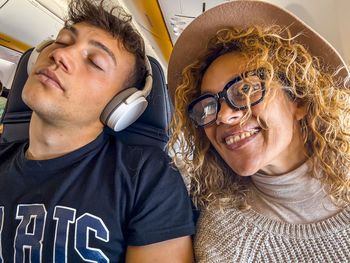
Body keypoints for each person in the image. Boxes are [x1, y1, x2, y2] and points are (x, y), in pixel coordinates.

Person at [0, 0, 195, 262]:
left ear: (120, 106)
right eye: (62, 41)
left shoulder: (146, 177)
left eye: (94, 61)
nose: (60, 55)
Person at [167, 1, 350, 262]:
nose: (222, 115)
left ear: (299, 99)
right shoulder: (227, 239)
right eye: (208, 106)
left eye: (245, 90)